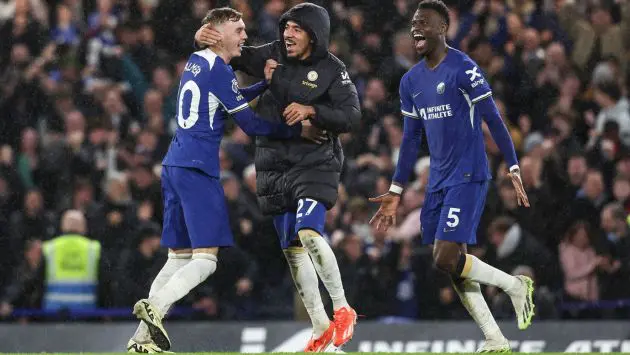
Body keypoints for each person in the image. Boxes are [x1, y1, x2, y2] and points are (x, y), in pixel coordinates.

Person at [127, 7, 320, 353]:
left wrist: (263, 84)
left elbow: (224, 100)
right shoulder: (219, 70)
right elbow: (251, 126)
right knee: (206, 259)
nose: (245, 36)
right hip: (199, 168)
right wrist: (294, 131)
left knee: (178, 257)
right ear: (218, 33)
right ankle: (155, 308)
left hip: (173, 165)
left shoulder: (198, 61)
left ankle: (142, 339)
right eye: (239, 29)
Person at [369, 1, 535, 352]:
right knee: (452, 262)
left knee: (445, 257)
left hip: (469, 172)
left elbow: (493, 118)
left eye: (424, 22)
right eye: (413, 22)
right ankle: (495, 337)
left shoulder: (464, 68)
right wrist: (396, 189)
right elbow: (412, 139)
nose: (416, 28)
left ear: (442, 28)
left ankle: (515, 285)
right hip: (438, 180)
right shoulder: (410, 81)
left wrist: (514, 165)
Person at [194, 3, 360, 351]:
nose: (287, 34)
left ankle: (343, 309)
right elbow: (230, 57)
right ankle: (319, 326)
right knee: (292, 249)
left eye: (296, 29)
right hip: (275, 165)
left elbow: (351, 116)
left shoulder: (332, 69)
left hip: (315, 162)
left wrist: (313, 109)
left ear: (314, 34)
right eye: (286, 28)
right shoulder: (272, 54)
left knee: (309, 232)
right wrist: (202, 40)